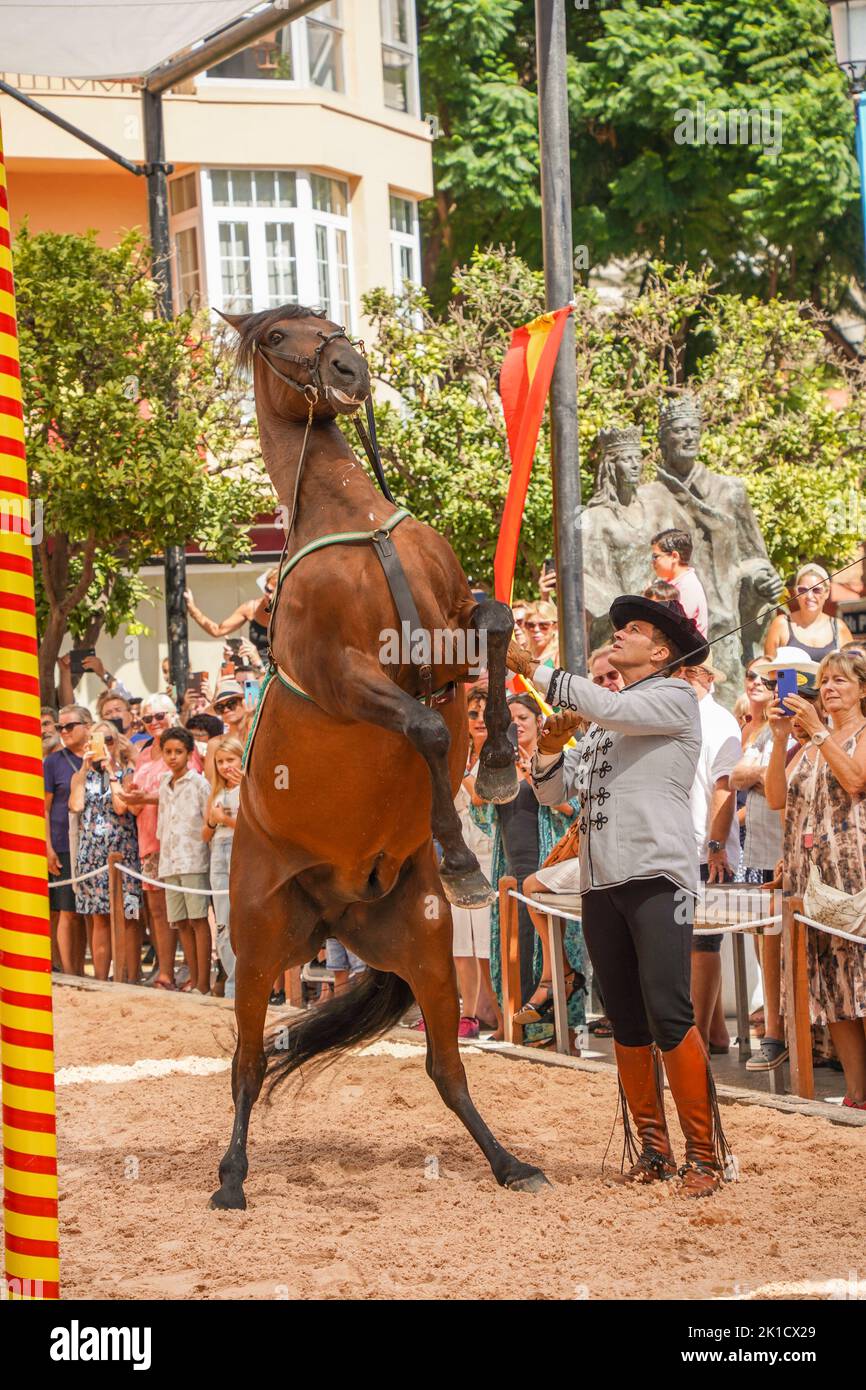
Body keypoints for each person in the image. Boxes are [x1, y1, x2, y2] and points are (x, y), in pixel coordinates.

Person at [508, 594, 735, 1197]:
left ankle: (704, 1158)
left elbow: (604, 703)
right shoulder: (612, 721)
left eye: (630, 631)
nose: (618, 636)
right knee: (628, 1019)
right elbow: (561, 791)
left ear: (661, 652)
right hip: (602, 880)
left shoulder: (674, 697)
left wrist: (536, 670)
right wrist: (553, 747)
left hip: (658, 875)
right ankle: (656, 1152)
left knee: (669, 1010)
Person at [765, 651, 866, 1109]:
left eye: (840, 681)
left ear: (862, 689)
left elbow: (856, 781)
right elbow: (773, 798)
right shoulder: (807, 745)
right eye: (824, 681)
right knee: (833, 984)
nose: (828, 688)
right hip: (811, 878)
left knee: (862, 976)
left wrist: (820, 733)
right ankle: (857, 1093)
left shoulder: (858, 734)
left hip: (855, 870)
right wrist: (779, 735)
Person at [477, 692, 585, 1046]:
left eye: (522, 716)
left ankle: (558, 1031)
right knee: (511, 947)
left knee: (554, 947)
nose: (516, 724)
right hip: (509, 869)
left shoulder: (560, 760)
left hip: (549, 868)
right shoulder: (501, 765)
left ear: (540, 721)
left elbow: (575, 808)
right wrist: (501, 768)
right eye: (509, 719)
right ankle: (513, 1023)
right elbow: (478, 808)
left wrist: (536, 777)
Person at [729, 657, 789, 1071]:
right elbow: (736, 777)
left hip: (787, 853)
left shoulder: (790, 730)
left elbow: (774, 788)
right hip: (757, 852)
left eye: (768, 680)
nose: (758, 684)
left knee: (783, 946)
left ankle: (781, 1033)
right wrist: (760, 773)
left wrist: (759, 774)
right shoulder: (761, 730)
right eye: (752, 677)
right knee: (761, 942)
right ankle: (773, 1028)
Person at [683, 658, 741, 1053]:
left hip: (707, 848)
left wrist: (716, 845)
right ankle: (716, 1031)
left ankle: (700, 1037)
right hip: (687, 846)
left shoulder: (718, 721)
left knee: (702, 942)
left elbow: (725, 786)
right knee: (694, 938)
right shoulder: (689, 714)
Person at [69, 722, 142, 982]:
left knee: (130, 916)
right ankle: (102, 979)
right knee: (99, 919)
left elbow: (122, 807)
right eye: (97, 740)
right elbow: (75, 805)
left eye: (108, 739)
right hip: (93, 856)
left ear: (117, 742)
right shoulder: (81, 775)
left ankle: (131, 978)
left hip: (124, 854)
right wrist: (84, 767)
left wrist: (111, 770)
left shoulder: (128, 772)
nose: (103, 746)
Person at [119, 694, 180, 990]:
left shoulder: (182, 744)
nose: (154, 722)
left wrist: (146, 798)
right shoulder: (143, 753)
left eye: (160, 715)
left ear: (172, 714)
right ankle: (165, 972)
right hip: (147, 837)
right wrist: (133, 797)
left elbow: (188, 789)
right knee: (156, 910)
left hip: (177, 839)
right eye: (148, 718)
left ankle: (194, 972)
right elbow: (134, 805)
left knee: (185, 909)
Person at [451, 688, 500, 1037]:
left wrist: (453, 770)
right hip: (460, 858)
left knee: (485, 945)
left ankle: (498, 1015)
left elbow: (482, 797)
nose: (480, 720)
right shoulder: (463, 756)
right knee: (460, 946)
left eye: (485, 713)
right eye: (473, 714)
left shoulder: (500, 753)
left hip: (491, 856)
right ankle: (467, 1015)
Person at [157, 726, 212, 994]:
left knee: (199, 920)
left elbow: (208, 820)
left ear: (189, 754)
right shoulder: (163, 785)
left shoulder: (200, 783)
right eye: (168, 752)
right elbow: (163, 824)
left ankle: (204, 982)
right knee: (180, 922)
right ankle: (193, 975)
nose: (173, 757)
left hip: (194, 859)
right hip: (170, 861)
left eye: (178, 752)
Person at [45, 704, 92, 975]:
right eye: (60, 727)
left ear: (87, 726)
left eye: (70, 726)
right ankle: (70, 970)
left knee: (88, 912)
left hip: (95, 845)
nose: (64, 732)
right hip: (63, 842)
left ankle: (85, 969)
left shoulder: (100, 756)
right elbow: (45, 808)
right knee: (66, 910)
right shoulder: (53, 762)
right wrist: (47, 846)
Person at [202, 736, 244, 1001]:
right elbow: (204, 835)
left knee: (241, 921)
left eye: (230, 760)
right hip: (218, 855)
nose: (225, 766)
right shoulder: (215, 791)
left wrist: (225, 819)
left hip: (240, 855)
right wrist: (213, 820)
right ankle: (232, 981)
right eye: (220, 762)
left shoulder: (250, 786)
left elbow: (253, 829)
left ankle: (239, 985)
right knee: (222, 924)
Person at [763, 563, 853, 664]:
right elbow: (769, 670)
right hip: (787, 680)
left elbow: (851, 669)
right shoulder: (781, 624)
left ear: (827, 593)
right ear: (796, 593)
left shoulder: (839, 627)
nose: (809, 596)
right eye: (803, 590)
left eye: (817, 590)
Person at [184, 568, 278, 665]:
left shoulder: (288, 612)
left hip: (280, 674)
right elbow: (217, 630)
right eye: (268, 590)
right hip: (257, 674)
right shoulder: (250, 608)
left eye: (275, 593)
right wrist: (193, 609)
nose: (270, 597)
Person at [650, 528, 709, 636]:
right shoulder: (668, 581)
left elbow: (673, 628)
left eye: (655, 557)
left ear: (674, 557)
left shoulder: (688, 587)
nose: (652, 562)